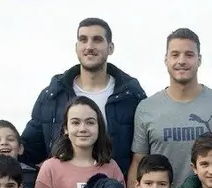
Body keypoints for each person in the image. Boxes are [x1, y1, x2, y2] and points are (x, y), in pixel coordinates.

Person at [17, 17, 145, 176]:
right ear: (76, 47)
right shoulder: (52, 96)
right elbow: (28, 150)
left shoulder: (131, 96)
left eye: (97, 40)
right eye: (83, 40)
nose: (89, 46)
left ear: (110, 47)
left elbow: (144, 154)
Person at [128, 27, 212, 188]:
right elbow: (139, 161)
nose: (181, 61)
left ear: (199, 59)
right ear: (166, 59)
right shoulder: (146, 108)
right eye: (175, 55)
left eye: (189, 55)